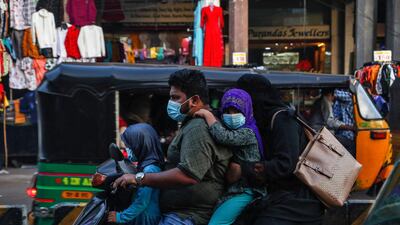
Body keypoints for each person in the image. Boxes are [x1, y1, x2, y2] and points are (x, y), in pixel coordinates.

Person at [112, 69, 232, 225]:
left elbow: (187, 175)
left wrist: (139, 178)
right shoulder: (194, 123)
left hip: (186, 217)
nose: (171, 103)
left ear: (194, 100)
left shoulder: (199, 128)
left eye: (176, 98)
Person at [237, 74, 325, 225]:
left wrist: (246, 169)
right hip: (282, 196)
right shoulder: (265, 118)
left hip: (298, 201)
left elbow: (286, 164)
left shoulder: (282, 120)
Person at [194, 88, 265, 225]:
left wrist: (207, 116)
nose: (232, 115)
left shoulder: (248, 133)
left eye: (236, 111)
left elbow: (225, 137)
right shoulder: (239, 129)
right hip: (234, 190)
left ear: (247, 111)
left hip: (246, 190)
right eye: (227, 111)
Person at [107, 123, 164, 225]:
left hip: (145, 218)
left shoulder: (150, 169)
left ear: (139, 145)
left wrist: (121, 217)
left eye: (129, 146)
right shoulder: (146, 165)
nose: (127, 149)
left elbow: (142, 202)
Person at [333, 89, 356, 156]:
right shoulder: (338, 102)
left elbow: (334, 93)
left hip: (346, 134)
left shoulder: (349, 97)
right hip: (339, 132)